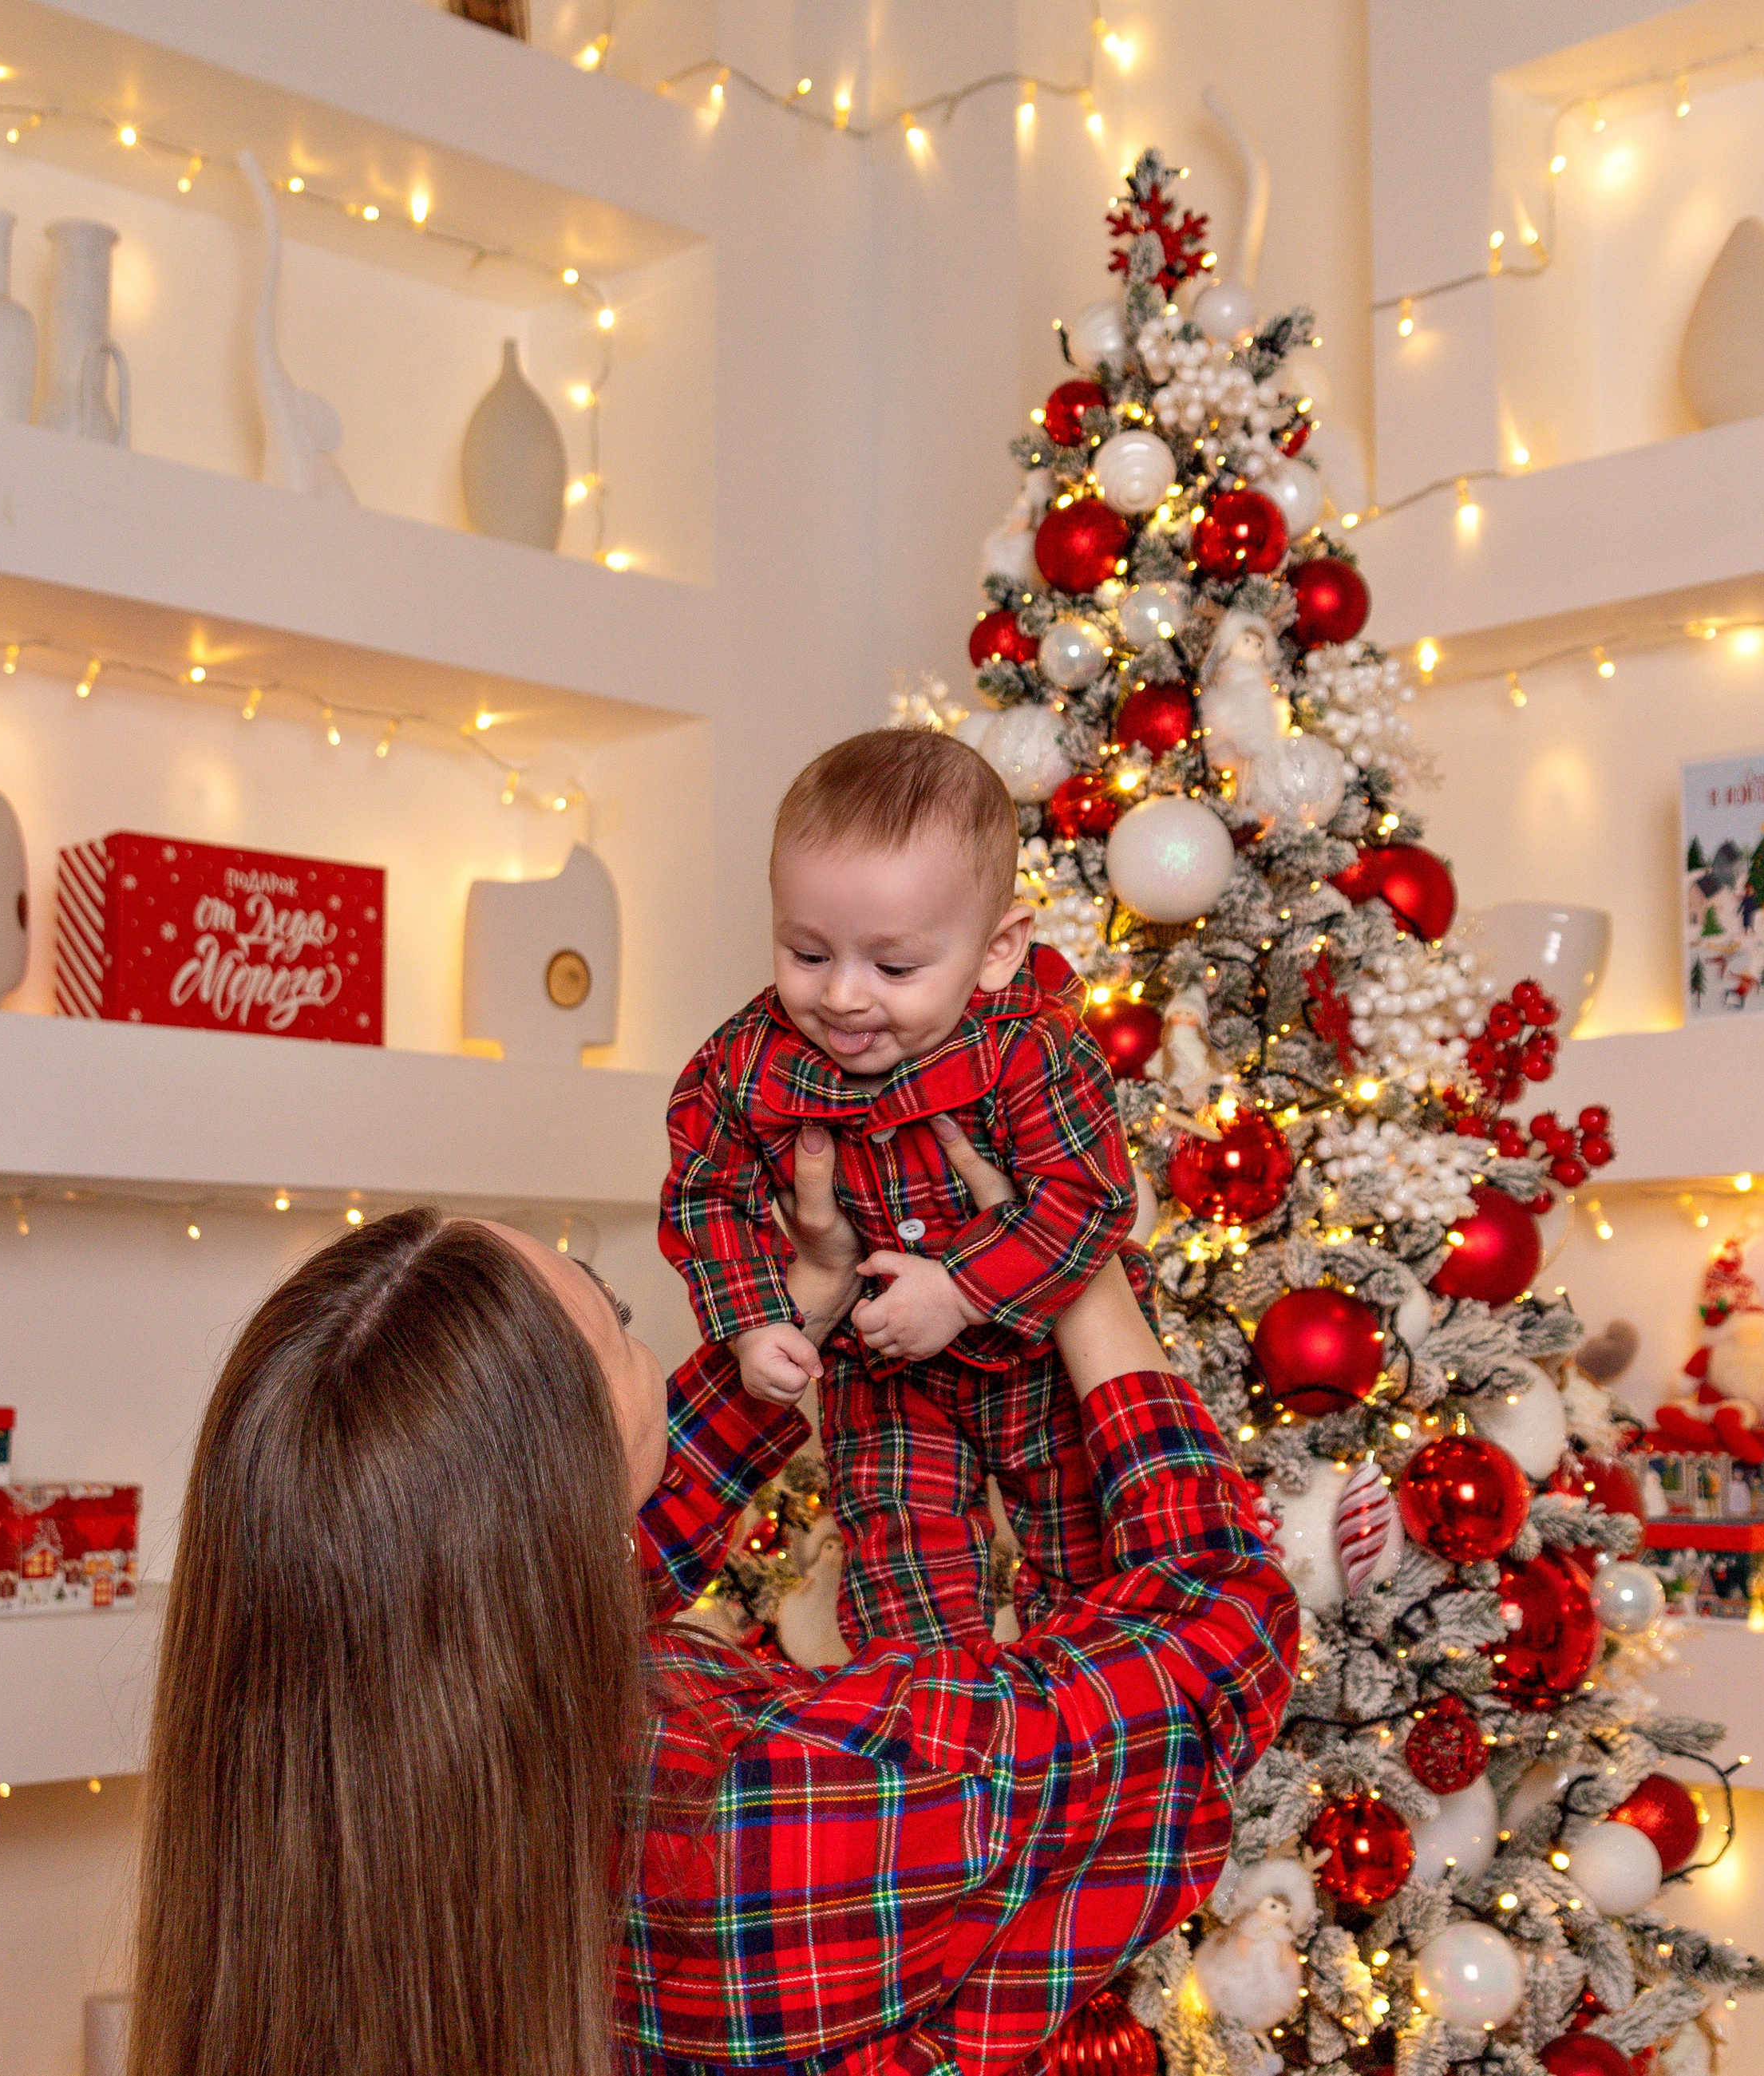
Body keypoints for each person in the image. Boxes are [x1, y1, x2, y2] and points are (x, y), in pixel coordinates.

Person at [130, 1121, 1296, 2076]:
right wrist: (1078, 1261)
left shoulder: (317, 1749)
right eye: (619, 1323)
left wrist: (807, 1301)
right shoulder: (747, 1805)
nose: (643, 1338)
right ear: (570, 1478)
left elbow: (536, 1555)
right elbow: (1217, 1632)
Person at [659, 729, 1141, 1649]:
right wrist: (755, 1319)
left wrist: (959, 1290)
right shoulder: (747, 1064)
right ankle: (937, 1722)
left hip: (1038, 1357)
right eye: (807, 954)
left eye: (893, 967)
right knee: (903, 1587)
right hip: (884, 1375)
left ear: (996, 949)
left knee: (1091, 1567)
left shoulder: (1032, 1046)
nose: (844, 996)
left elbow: (1089, 1197)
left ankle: (1082, 1710)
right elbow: (707, 1193)